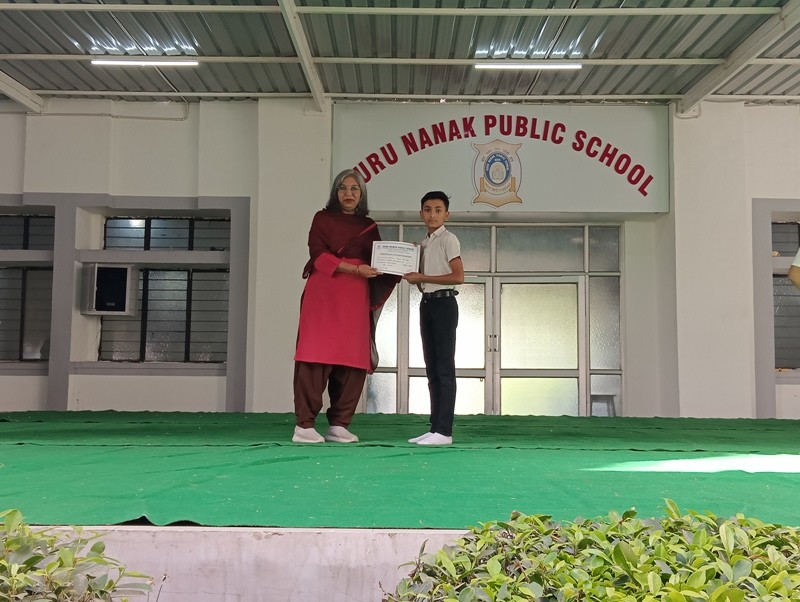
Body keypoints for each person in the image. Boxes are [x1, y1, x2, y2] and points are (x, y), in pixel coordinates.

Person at [292, 169, 397, 444]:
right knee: (315, 355)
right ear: (335, 192)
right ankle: (304, 425)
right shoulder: (322, 218)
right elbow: (317, 254)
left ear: (362, 194)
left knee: (352, 358)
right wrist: (354, 269)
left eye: (354, 189)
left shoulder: (369, 226)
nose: (348, 193)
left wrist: (404, 259)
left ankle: (339, 425)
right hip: (324, 294)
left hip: (355, 298)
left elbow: (382, 260)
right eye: (343, 188)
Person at [403, 191, 464, 446]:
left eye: (438, 210)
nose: (432, 215)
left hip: (444, 304)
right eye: (427, 210)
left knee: (444, 367)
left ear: (446, 214)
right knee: (432, 368)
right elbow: (422, 280)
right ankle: (434, 427)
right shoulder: (424, 243)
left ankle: (445, 431)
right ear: (421, 213)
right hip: (427, 303)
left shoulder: (449, 239)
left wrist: (422, 278)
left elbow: (458, 276)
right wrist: (416, 273)